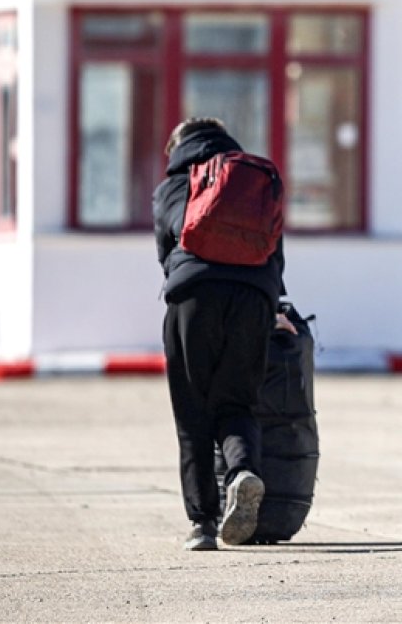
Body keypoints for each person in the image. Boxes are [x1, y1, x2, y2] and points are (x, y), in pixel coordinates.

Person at [153, 117, 286, 550]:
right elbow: (274, 250)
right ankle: (241, 471)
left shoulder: (175, 183)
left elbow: (170, 246)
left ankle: (202, 523)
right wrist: (275, 305)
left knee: (193, 411)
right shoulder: (254, 178)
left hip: (194, 297)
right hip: (254, 298)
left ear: (178, 146)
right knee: (238, 401)